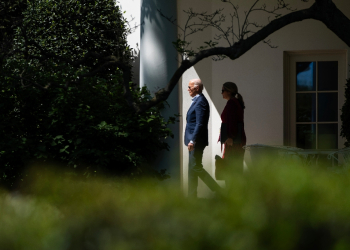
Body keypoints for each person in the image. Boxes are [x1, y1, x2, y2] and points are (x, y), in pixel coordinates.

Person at [185, 79, 222, 198]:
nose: (188, 89)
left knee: (195, 167)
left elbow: (200, 123)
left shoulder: (200, 101)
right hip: (193, 140)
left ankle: (217, 190)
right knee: (192, 169)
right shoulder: (197, 100)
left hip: (196, 141)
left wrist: (192, 140)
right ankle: (191, 197)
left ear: (197, 88)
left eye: (189, 87)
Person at [219, 82, 246, 183]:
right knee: (236, 167)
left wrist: (230, 137)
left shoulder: (231, 103)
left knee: (231, 168)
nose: (221, 93)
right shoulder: (236, 102)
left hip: (233, 141)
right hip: (237, 140)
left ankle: (232, 194)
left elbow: (232, 121)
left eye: (223, 91)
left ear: (229, 91)